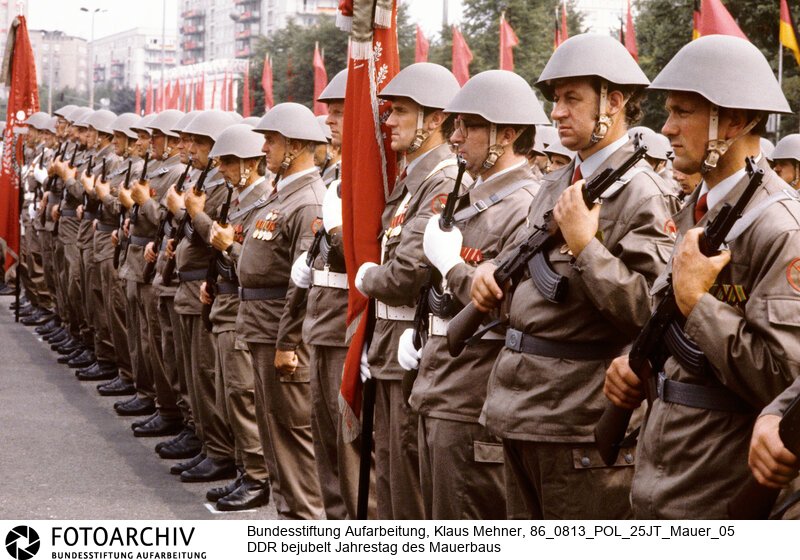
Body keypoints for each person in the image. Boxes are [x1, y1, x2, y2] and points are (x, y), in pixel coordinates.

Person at [470, 33, 678, 519]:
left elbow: (653, 311)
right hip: (518, 409)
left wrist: (586, 247)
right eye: (556, 99)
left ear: (614, 102)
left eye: (572, 98)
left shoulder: (640, 193)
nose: (557, 112)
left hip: (577, 421)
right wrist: (488, 279)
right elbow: (530, 290)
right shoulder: (555, 184)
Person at [603, 34, 800, 519]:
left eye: (682, 112)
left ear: (732, 121)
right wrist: (634, 360)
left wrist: (699, 304)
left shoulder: (778, 227)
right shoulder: (700, 208)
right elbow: (669, 326)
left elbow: (785, 380)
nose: (666, 128)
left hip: (716, 491)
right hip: (663, 469)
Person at [407, 69, 547, 519]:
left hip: (472, 394)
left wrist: (453, 268)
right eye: (455, 125)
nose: (456, 136)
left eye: (469, 125)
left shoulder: (526, 205)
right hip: (440, 383)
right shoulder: (472, 197)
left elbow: (512, 304)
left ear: (506, 134)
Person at [354, 62, 463, 520]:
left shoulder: (440, 181)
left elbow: (406, 274)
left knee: (407, 490)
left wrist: (364, 278)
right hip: (389, 345)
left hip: (411, 349)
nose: (389, 121)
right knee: (392, 480)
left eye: (400, 111)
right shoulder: (412, 179)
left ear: (435, 119)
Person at [213, 102, 328, 519]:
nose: (264, 148)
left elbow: (304, 283)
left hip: (281, 335)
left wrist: (289, 342)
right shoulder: (285, 195)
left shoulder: (309, 201)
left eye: (271, 140)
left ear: (295, 144)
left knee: (294, 444)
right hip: (260, 328)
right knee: (275, 439)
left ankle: (307, 527)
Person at [289, 68, 366, 519]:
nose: (331, 120)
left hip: (345, 327)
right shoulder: (337, 171)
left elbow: (358, 255)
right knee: (326, 454)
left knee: (350, 456)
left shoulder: (366, 174)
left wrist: (336, 232)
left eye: (341, 112)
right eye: (330, 113)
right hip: (322, 322)